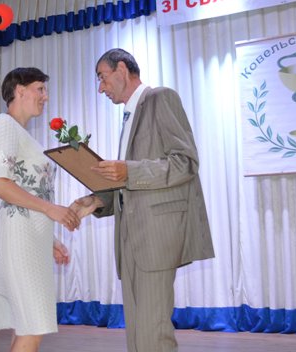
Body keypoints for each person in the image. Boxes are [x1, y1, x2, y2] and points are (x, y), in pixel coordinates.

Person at [72, 48, 214, 352]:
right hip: (130, 237)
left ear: (122, 70)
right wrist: (97, 202)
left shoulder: (161, 98)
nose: (101, 88)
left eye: (102, 78)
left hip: (155, 236)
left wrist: (129, 170)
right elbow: (129, 184)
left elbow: (186, 162)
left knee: (153, 332)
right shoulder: (130, 115)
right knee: (138, 331)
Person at [0, 67, 80, 352]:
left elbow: (28, 191)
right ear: (20, 90)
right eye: (40, 89)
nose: (45, 96)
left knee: (27, 327)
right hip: (17, 242)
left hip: (28, 239)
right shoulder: (3, 124)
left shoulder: (21, 134)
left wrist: (49, 239)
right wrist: (51, 209)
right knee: (34, 326)